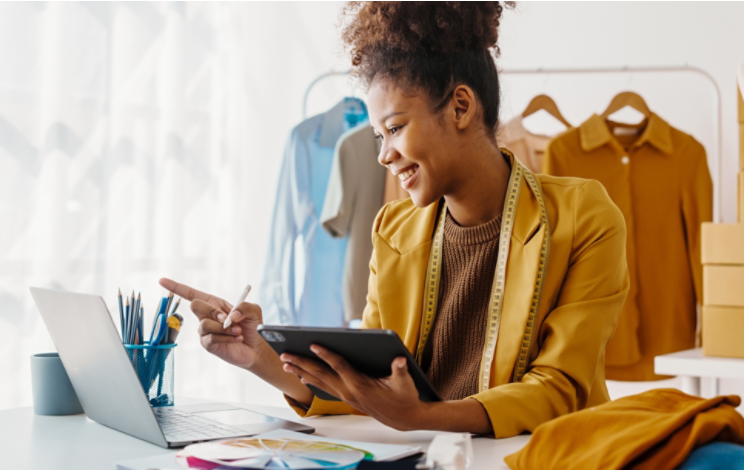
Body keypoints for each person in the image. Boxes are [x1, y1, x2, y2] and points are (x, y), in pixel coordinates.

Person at [160, 1, 629, 439]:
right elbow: (369, 388)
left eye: (396, 128)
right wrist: (260, 356)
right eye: (378, 135)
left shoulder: (583, 215)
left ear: (461, 107)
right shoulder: (394, 230)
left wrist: (422, 417)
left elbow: (559, 388)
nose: (384, 155)